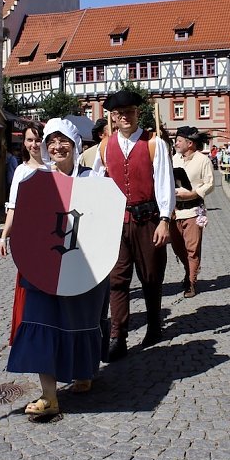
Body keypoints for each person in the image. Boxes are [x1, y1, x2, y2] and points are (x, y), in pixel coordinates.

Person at [0, 118, 108, 417]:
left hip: (83, 265)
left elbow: (105, 223)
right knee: (42, 322)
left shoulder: (93, 181)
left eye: (64, 142)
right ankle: (50, 396)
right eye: (52, 142)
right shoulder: (34, 180)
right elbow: (24, 220)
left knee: (80, 321)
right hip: (44, 266)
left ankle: (83, 372)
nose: (57, 147)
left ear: (75, 145)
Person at [93, 88, 174, 361]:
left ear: (138, 113)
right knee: (117, 280)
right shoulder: (104, 147)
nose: (125, 117)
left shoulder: (154, 144)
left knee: (151, 276)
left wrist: (165, 220)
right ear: (113, 117)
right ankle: (118, 335)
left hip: (148, 219)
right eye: (119, 114)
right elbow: (95, 184)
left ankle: (153, 326)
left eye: (129, 112)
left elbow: (165, 184)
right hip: (116, 222)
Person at [170, 126, 213, 298]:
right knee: (178, 248)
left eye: (179, 141)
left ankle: (191, 282)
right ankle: (190, 270)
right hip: (175, 212)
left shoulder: (203, 160)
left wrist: (194, 193)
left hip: (194, 210)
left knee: (192, 249)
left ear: (190, 143)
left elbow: (209, 183)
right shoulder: (173, 159)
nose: (176, 144)